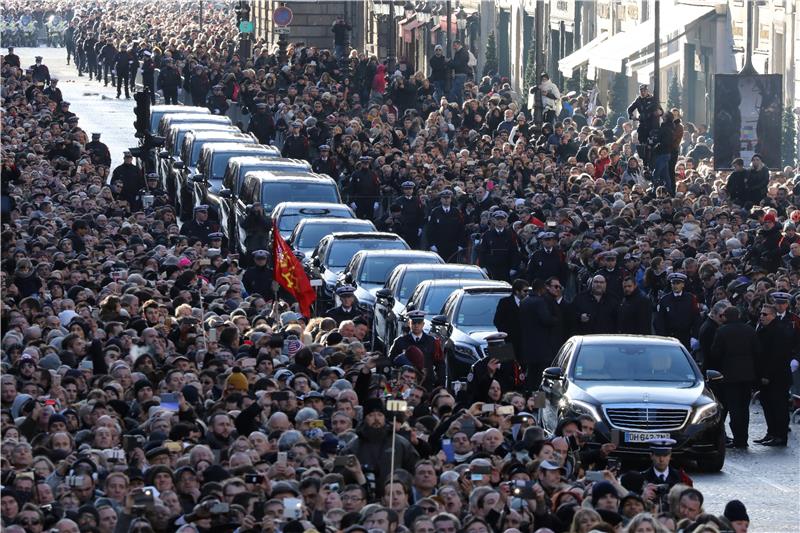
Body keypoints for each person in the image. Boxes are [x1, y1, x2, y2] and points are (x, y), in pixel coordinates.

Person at [708, 306, 760, 448]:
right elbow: (757, 352)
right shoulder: (749, 330)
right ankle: (743, 438)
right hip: (747, 375)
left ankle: (738, 439)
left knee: (734, 407)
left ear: (726, 316)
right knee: (744, 407)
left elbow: (715, 353)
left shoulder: (722, 331)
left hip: (730, 376)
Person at [755, 303, 792, 447]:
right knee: (768, 406)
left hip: (777, 377)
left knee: (779, 407)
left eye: (765, 314)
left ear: (773, 315)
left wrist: (767, 375)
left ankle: (780, 436)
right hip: (766, 375)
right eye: (761, 313)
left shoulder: (778, 330)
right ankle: (771, 433)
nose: (761, 316)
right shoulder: (764, 328)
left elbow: (777, 356)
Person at [519, 279, 556, 388]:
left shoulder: (524, 301)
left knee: (531, 376)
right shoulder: (540, 302)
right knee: (540, 378)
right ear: (541, 289)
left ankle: (529, 399)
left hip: (528, 346)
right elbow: (546, 320)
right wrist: (555, 319)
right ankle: (538, 403)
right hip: (541, 348)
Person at [654, 273, 700, 351]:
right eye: (673, 283)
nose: (675, 286)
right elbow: (659, 321)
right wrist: (663, 337)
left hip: (686, 336)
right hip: (670, 337)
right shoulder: (665, 300)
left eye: (678, 283)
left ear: (683, 285)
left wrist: (695, 336)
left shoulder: (690, 298)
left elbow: (696, 318)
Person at [477, 211, 520, 282]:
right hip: (491, 269)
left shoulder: (510, 235)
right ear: (493, 220)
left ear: (506, 221)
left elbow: (515, 252)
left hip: (506, 269)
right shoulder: (487, 235)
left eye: (502, 219)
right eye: (498, 219)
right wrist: (483, 267)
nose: (500, 221)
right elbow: (482, 252)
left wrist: (514, 267)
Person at [494, 279, 529, 361]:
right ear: (517, 291)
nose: (527, 293)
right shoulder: (505, 302)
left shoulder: (528, 303)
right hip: (508, 342)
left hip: (524, 345)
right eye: (525, 291)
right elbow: (497, 321)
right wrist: (506, 334)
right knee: (507, 367)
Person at [426, 189, 465, 262]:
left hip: (453, 246)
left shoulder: (456, 212)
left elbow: (461, 229)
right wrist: (432, 244)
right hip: (439, 245)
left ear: (451, 199)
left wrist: (461, 244)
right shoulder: (435, 211)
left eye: (448, 198)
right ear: (441, 199)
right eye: (444, 198)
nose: (446, 200)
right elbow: (430, 229)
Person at [627, 84, 658, 162]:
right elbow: (630, 109)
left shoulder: (652, 99)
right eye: (641, 91)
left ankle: (651, 160)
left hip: (651, 125)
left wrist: (657, 113)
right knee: (641, 144)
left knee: (651, 145)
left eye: (644, 91)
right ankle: (644, 161)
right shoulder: (638, 100)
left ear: (647, 91)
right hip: (642, 124)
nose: (643, 92)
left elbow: (660, 110)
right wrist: (632, 116)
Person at [392, 181, 425, 249]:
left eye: (410, 189)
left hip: (414, 228)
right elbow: (395, 215)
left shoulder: (417, 200)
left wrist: (420, 227)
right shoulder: (399, 201)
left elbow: (421, 214)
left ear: (412, 190)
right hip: (403, 229)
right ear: (403, 190)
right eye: (406, 189)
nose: (408, 191)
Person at [448, 41, 470, 106]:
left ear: (458, 44)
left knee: (454, 92)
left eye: (455, 45)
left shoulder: (463, 52)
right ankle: (460, 105)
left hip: (461, 75)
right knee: (458, 93)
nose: (454, 47)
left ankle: (456, 105)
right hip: (459, 74)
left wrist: (450, 61)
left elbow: (458, 64)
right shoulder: (460, 52)